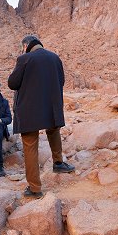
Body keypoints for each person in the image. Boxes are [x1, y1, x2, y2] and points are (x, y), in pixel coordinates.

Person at [8, 35, 75, 198]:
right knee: (53, 131)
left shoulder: (24, 58)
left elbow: (12, 83)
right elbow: (62, 81)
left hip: (30, 110)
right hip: (51, 106)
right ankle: (58, 163)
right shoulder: (55, 58)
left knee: (30, 145)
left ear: (26, 45)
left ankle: (35, 188)